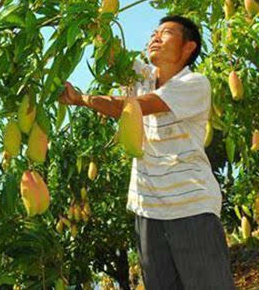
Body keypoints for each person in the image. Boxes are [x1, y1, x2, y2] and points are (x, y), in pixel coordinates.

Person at [59, 15, 235, 290]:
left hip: (190, 209)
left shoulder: (195, 84)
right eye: (154, 32)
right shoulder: (141, 78)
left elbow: (128, 107)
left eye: (165, 33)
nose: (155, 37)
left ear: (188, 47)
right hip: (148, 211)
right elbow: (110, 48)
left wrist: (81, 99)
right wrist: (78, 3)